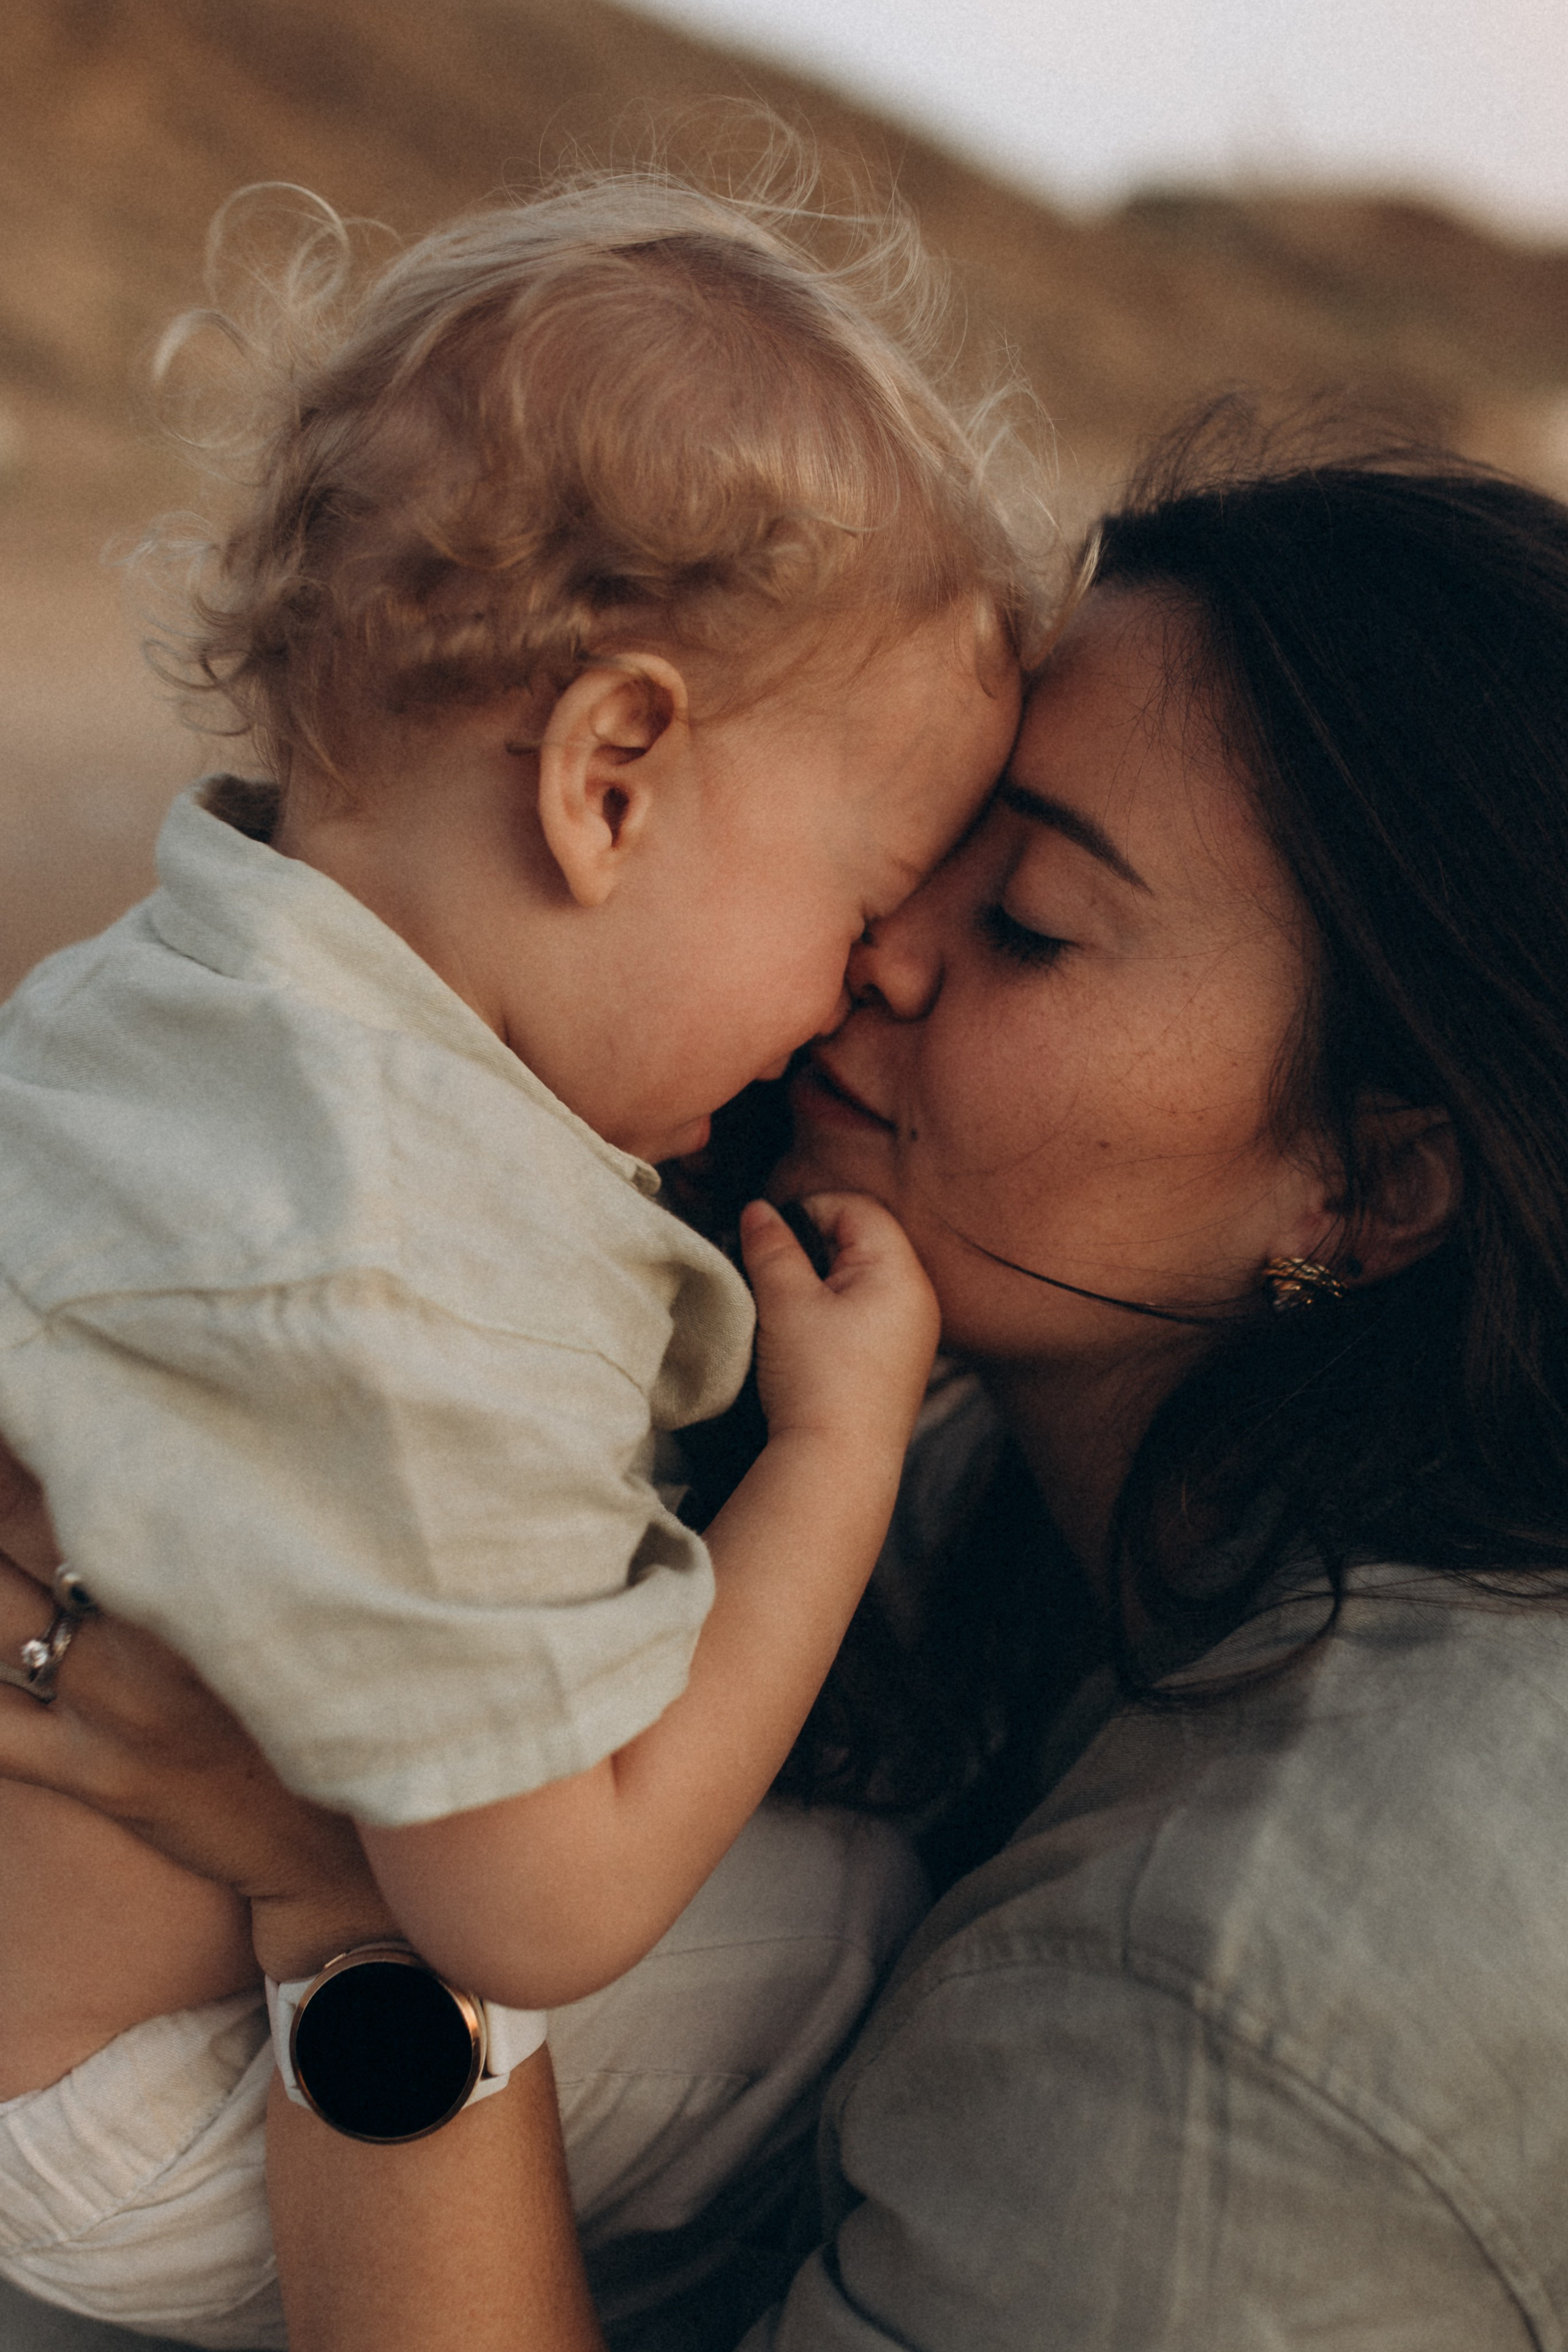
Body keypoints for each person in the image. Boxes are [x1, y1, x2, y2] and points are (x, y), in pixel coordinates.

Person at [7, 429, 1568, 2352]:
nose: (877, 946)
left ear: (1367, 1181)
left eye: (1025, 926)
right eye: (924, 841)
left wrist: (345, 1883)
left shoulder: (1228, 2012)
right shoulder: (979, 1449)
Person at [0, 167, 1024, 2344]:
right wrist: (835, 1453)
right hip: (90, 2136)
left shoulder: (172, 992)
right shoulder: (419, 1251)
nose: (854, 1001)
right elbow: (544, 1907)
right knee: (857, 1923)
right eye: (861, 917)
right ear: (612, 778)